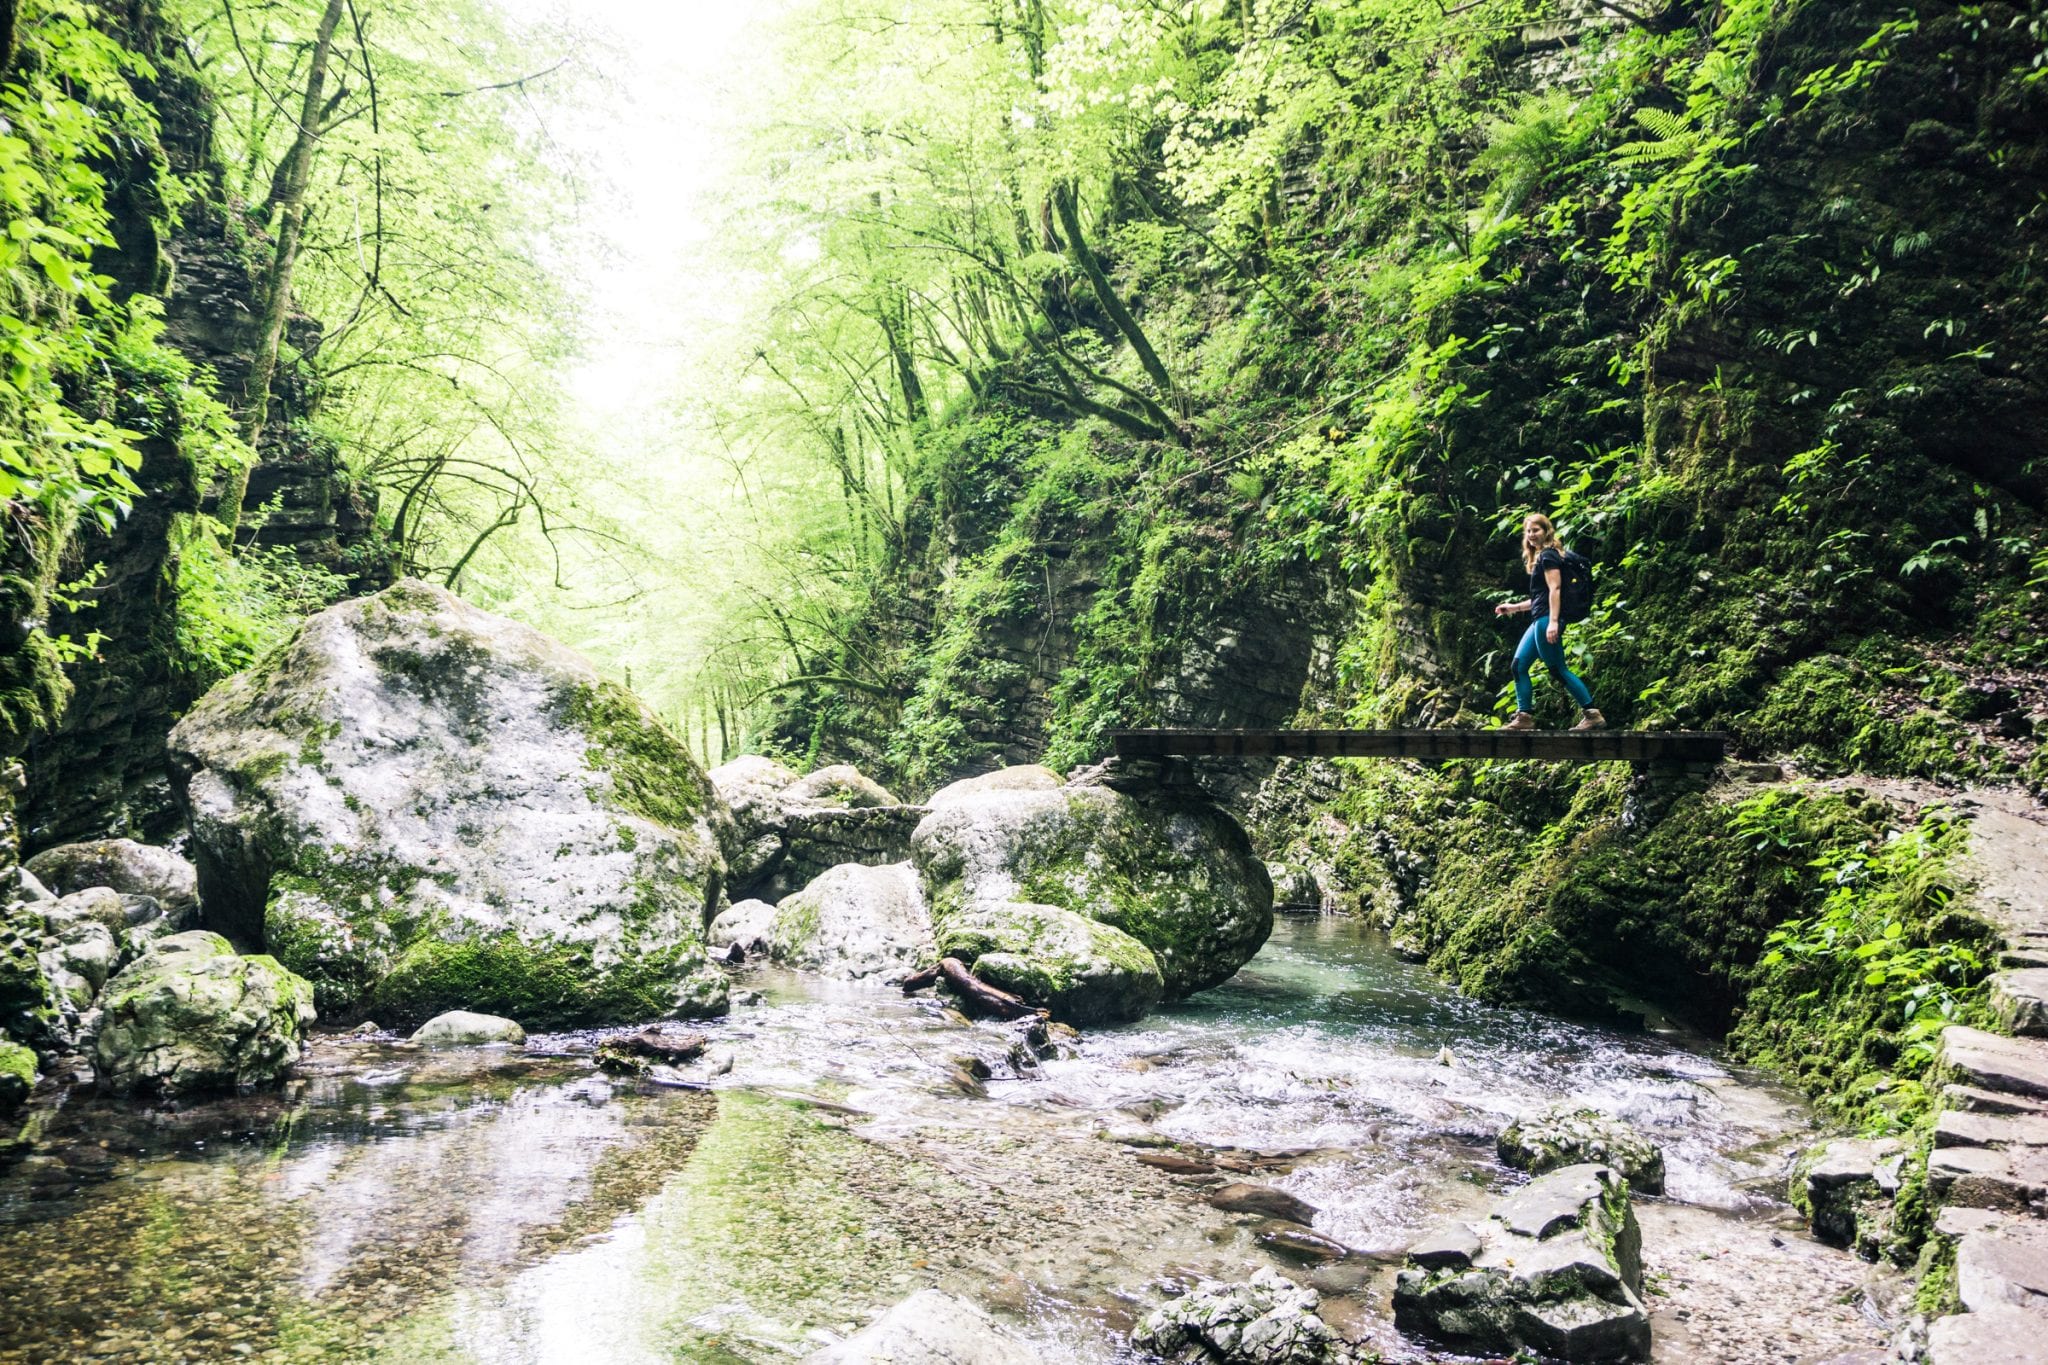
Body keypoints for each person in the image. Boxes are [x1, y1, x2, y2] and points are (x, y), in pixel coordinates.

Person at [1492, 513, 1605, 731]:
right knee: (1519, 665)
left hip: (1546, 620)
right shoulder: (1542, 557)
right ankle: (1524, 717)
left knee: (1557, 669)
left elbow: (1556, 589)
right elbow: (1540, 597)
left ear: (1546, 531)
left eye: (1536, 530)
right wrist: (1514, 608)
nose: (1531, 535)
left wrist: (1553, 621)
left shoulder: (1549, 556)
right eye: (1528, 531)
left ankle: (1592, 714)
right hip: (1539, 618)